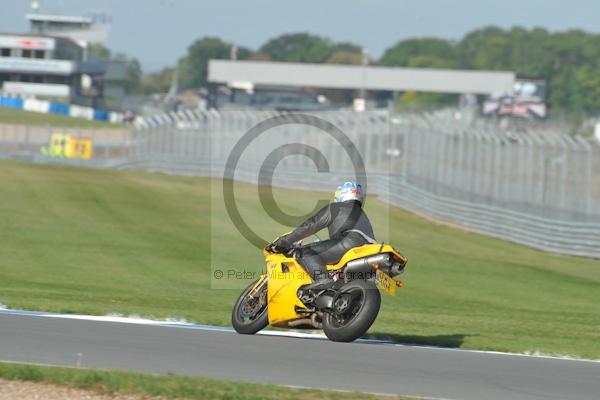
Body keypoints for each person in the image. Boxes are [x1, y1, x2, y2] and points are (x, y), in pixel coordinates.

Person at [273, 182, 376, 291]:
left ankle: (322, 279)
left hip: (350, 243)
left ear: (341, 194)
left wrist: (285, 241)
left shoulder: (336, 208)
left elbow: (311, 225)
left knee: (304, 252)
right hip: (370, 250)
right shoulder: (362, 215)